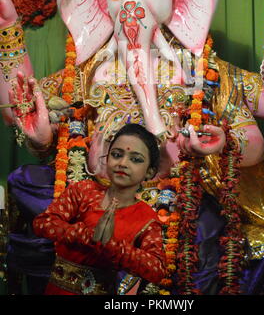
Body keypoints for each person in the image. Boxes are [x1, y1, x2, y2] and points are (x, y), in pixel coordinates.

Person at [32, 123, 166, 295]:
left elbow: (157, 269)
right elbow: (43, 223)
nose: (123, 163)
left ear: (150, 172)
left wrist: (113, 247)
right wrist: (85, 235)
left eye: (135, 159)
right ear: (107, 158)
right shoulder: (84, 191)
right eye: (117, 155)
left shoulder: (146, 218)